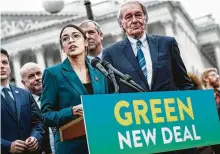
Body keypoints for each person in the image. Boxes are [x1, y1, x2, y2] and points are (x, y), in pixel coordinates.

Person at [102, 1, 195, 154]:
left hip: (174, 129)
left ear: (145, 19)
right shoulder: (110, 54)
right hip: (140, 135)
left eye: (138, 15)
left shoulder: (167, 43)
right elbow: (111, 95)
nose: (134, 20)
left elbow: (185, 84)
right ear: (121, 24)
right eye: (128, 17)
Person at [40, 24, 108, 154]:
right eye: (65, 39)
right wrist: (71, 111)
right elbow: (45, 116)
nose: (71, 40)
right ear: (63, 48)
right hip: (71, 147)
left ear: (86, 42)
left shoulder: (99, 71)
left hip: (101, 142)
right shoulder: (52, 73)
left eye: (76, 36)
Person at [1, 48, 44, 154]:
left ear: (9, 66)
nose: (2, 66)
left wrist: (35, 138)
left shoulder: (24, 94)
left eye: (5, 62)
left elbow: (38, 122)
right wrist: (7, 146)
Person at [20, 62, 55, 154]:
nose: (37, 78)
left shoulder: (57, 96)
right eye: (31, 76)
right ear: (24, 83)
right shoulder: (22, 106)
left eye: (39, 73)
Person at [201, 68, 220, 154]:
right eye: (213, 75)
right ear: (205, 78)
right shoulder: (200, 97)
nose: (217, 77)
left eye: (217, 75)